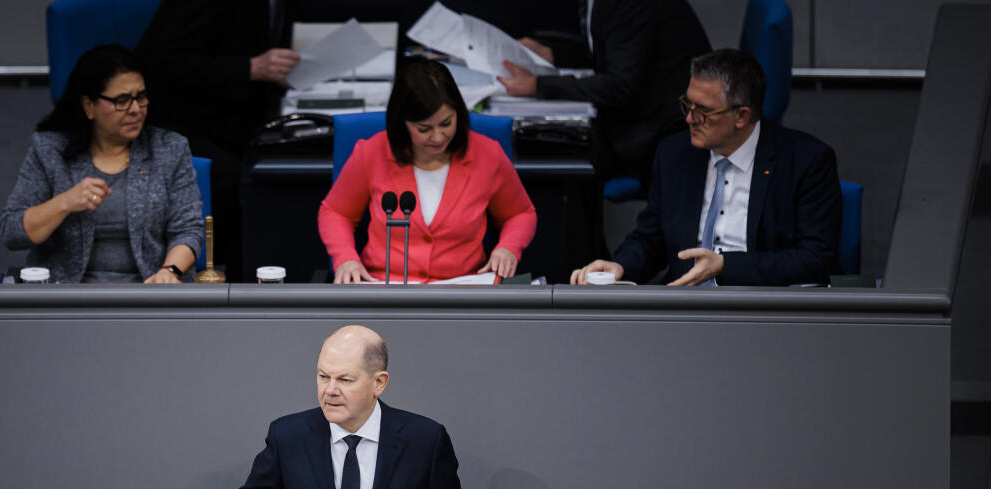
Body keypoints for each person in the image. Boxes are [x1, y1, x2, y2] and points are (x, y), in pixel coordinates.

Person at [571, 49, 841, 287]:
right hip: (686, 308)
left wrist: (725, 266)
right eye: (687, 104)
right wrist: (620, 266)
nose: (689, 118)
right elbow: (651, 238)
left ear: (742, 116)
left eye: (703, 111)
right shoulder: (675, 154)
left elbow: (815, 259)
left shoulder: (806, 161)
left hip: (764, 308)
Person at [227, 325, 469, 489]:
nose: (330, 390)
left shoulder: (425, 439)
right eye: (323, 376)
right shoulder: (288, 436)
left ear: (379, 382)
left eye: (344, 379)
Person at [319, 59, 537, 284]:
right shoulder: (371, 152)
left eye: (446, 123)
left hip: (464, 287)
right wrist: (346, 259)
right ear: (402, 122)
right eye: (424, 129)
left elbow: (520, 213)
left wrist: (508, 248)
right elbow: (336, 212)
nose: (438, 137)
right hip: (384, 287)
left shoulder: (488, 154)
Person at [1, 45, 203, 284]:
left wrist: (170, 272)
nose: (136, 109)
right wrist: (65, 202)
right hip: (67, 297)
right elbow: (12, 232)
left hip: (149, 292)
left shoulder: (169, 149)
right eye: (122, 100)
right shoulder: (49, 151)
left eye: (141, 97)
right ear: (89, 106)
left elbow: (188, 229)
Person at [134, 0, 301, 277]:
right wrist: (251, 68)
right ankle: (233, 280)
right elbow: (165, 65)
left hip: (247, 120)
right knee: (238, 180)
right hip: (186, 123)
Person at [497, 0, 711, 183]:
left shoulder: (625, 3)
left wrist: (539, 86)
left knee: (552, 154)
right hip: (645, 113)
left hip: (665, 131)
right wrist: (552, 55)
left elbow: (620, 85)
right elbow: (614, 53)